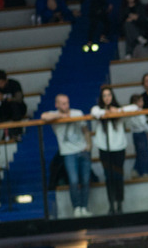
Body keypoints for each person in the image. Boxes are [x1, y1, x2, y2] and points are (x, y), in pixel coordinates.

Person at [42, 94, 91, 217]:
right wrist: (60, 116)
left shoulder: (77, 113)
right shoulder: (54, 115)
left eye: (67, 103)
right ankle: (77, 208)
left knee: (85, 180)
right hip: (68, 153)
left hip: (82, 150)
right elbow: (43, 116)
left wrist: (89, 145)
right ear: (57, 105)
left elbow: (85, 130)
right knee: (73, 181)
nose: (66, 106)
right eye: (63, 103)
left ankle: (84, 207)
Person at [90, 86, 128, 215]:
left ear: (113, 96)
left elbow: (134, 108)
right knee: (108, 177)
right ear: (102, 98)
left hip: (119, 148)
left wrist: (117, 111)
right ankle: (111, 204)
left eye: (109, 95)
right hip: (105, 149)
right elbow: (94, 112)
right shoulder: (98, 109)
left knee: (118, 176)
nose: (107, 98)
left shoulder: (119, 110)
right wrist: (106, 112)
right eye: (104, 95)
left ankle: (119, 203)